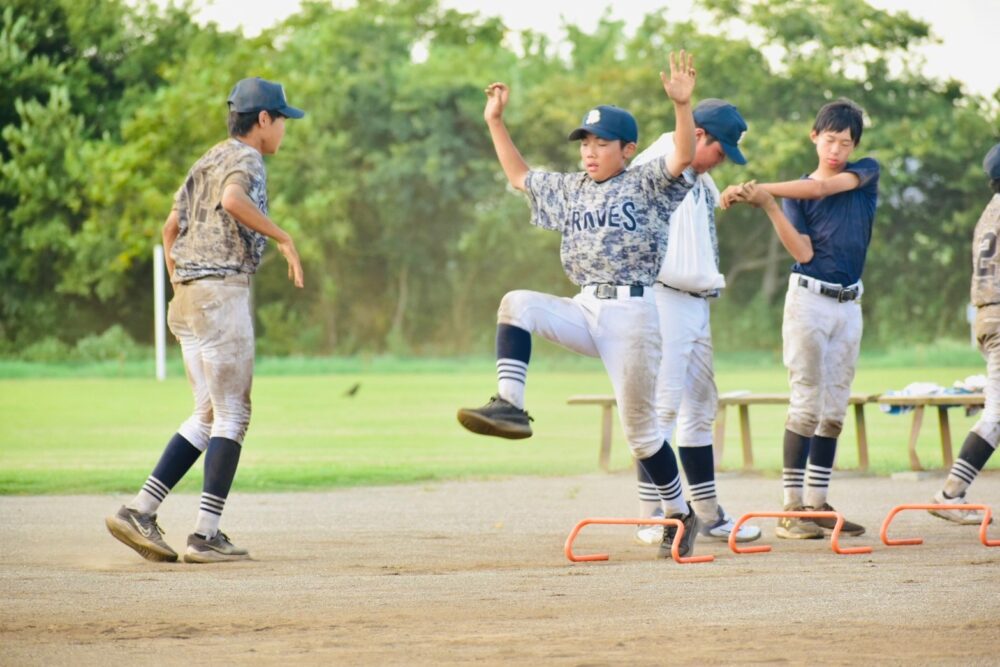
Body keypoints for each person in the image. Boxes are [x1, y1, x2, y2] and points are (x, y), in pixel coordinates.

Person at [457, 52, 703, 558]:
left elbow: (683, 156)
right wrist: (496, 122)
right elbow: (520, 177)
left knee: (641, 435)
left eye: (601, 144)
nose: (590, 152)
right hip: (586, 307)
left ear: (627, 149)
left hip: (634, 315)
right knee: (516, 303)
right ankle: (511, 406)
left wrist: (683, 108)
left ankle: (680, 513)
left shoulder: (646, 182)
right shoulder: (571, 190)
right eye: (585, 143)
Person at [105, 77, 305, 563]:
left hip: (189, 300)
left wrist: (179, 277)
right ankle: (205, 535)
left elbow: (170, 226)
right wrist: (283, 239)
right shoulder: (246, 158)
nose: (283, 130)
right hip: (219, 295)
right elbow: (235, 202)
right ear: (263, 120)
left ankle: (140, 510)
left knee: (207, 414)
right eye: (281, 120)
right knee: (234, 414)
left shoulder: (207, 158)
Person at [722, 98, 878, 539]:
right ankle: (792, 508)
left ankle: (817, 504)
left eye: (845, 143)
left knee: (834, 409)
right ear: (814, 136)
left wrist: (763, 188)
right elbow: (803, 252)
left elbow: (823, 189)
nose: (836, 150)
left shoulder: (864, 172)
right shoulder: (795, 193)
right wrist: (770, 206)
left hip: (849, 303)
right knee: (807, 402)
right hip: (809, 301)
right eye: (829, 140)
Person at [629, 99, 761, 545]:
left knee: (701, 410)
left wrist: (722, 194)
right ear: (699, 134)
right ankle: (655, 516)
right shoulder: (662, 161)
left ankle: (705, 513)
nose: (721, 161)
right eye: (720, 151)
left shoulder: (701, 175)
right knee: (661, 411)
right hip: (664, 298)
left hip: (696, 302)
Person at [927, 142, 1000, 525]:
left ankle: (950, 493)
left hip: (987, 317)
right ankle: (950, 494)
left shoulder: (988, 213)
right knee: (996, 415)